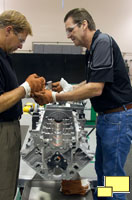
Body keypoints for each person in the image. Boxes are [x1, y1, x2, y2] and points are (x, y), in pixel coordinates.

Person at [34, 8, 132, 200]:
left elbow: (95, 88)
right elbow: (90, 82)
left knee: (113, 174)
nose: (68, 35)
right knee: (102, 170)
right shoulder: (92, 48)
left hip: (118, 117)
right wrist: (67, 89)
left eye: (70, 30)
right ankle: (103, 198)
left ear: (84, 24)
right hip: (108, 117)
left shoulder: (102, 42)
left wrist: (54, 97)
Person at [0, 10, 45, 200]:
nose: (20, 46)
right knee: (2, 191)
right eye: (20, 40)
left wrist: (29, 90)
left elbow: (4, 93)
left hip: (5, 129)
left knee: (7, 185)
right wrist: (26, 88)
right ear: (9, 30)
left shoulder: (0, 55)